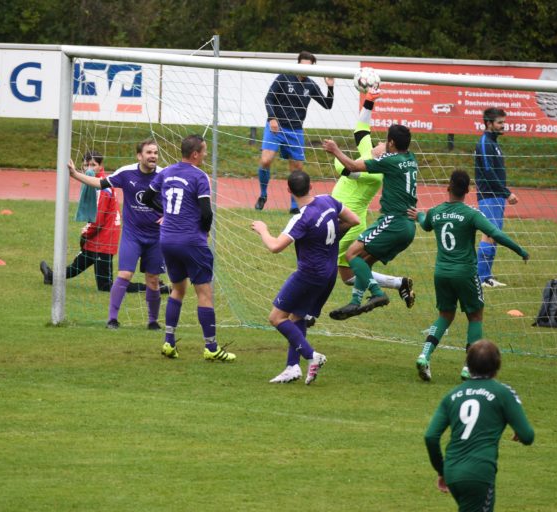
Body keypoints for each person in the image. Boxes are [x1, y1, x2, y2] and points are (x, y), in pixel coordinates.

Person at [409, 170, 528, 382]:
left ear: (448, 187)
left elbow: (425, 223)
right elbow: (496, 234)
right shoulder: (471, 214)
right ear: (468, 190)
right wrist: (519, 250)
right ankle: (468, 368)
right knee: (475, 316)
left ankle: (424, 355)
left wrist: (418, 214)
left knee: (445, 315)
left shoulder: (436, 212)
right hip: (465, 272)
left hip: (441, 273)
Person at [252, 170, 359, 384]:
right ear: (311, 186)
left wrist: (262, 229)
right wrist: (332, 237)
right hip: (328, 274)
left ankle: (312, 356)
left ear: (289, 191)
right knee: (296, 317)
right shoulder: (328, 200)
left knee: (276, 318)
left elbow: (275, 246)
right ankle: (293, 367)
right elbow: (353, 220)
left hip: (309, 274)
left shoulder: (301, 218)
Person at [142, 134, 235, 362]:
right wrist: (203, 231)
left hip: (167, 240)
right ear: (195, 154)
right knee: (204, 293)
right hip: (191, 241)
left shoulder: (166, 172)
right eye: (203, 151)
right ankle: (211, 347)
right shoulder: (199, 176)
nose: (205, 155)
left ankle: (168, 342)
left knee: (177, 289)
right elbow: (206, 212)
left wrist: (165, 213)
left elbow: (146, 198)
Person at [424, 339, 534, 512]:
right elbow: (527, 436)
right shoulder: (502, 392)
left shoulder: (453, 395)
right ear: (498, 366)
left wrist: (442, 470)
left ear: (468, 364)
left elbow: (431, 436)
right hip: (479, 474)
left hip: (453, 471)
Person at [321, 123, 417, 320]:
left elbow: (352, 166)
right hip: (408, 226)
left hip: (393, 222)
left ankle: (378, 294)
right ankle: (356, 302)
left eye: (384, 141)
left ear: (391, 142)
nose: (381, 143)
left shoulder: (390, 161)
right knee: (363, 262)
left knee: (352, 255)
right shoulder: (410, 159)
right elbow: (362, 134)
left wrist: (335, 150)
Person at [67, 139, 165, 330]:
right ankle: (112, 319)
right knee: (125, 274)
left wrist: (168, 216)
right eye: (149, 152)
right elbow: (100, 183)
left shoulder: (164, 175)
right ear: (139, 156)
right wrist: (75, 174)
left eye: (155, 153)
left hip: (156, 237)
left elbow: (177, 198)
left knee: (153, 279)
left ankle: (153, 321)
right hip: (132, 235)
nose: (153, 156)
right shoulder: (126, 172)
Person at [39, 151, 165, 294]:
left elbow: (98, 219)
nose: (89, 168)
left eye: (93, 165)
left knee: (106, 286)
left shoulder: (102, 188)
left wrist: (86, 233)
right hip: (97, 239)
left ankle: (151, 287)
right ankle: (51, 277)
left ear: (101, 166)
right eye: (86, 165)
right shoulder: (93, 183)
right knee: (78, 264)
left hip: (104, 240)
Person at [255, 51, 334, 214]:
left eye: (309, 66)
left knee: (297, 168)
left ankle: (293, 205)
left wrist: (330, 86)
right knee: (265, 160)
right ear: (297, 64)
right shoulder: (284, 77)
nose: (305, 69)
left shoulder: (311, 85)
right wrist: (272, 118)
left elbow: (327, 105)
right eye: (302, 65)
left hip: (296, 130)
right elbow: (268, 98)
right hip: (276, 127)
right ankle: (263, 195)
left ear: (313, 67)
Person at [475, 107, 518, 288]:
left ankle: (486, 276)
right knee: (489, 235)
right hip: (489, 195)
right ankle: (481, 277)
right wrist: (506, 192)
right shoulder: (485, 142)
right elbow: (487, 171)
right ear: (489, 123)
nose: (503, 125)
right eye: (500, 122)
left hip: (496, 196)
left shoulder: (494, 143)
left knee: (495, 234)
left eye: (503, 122)